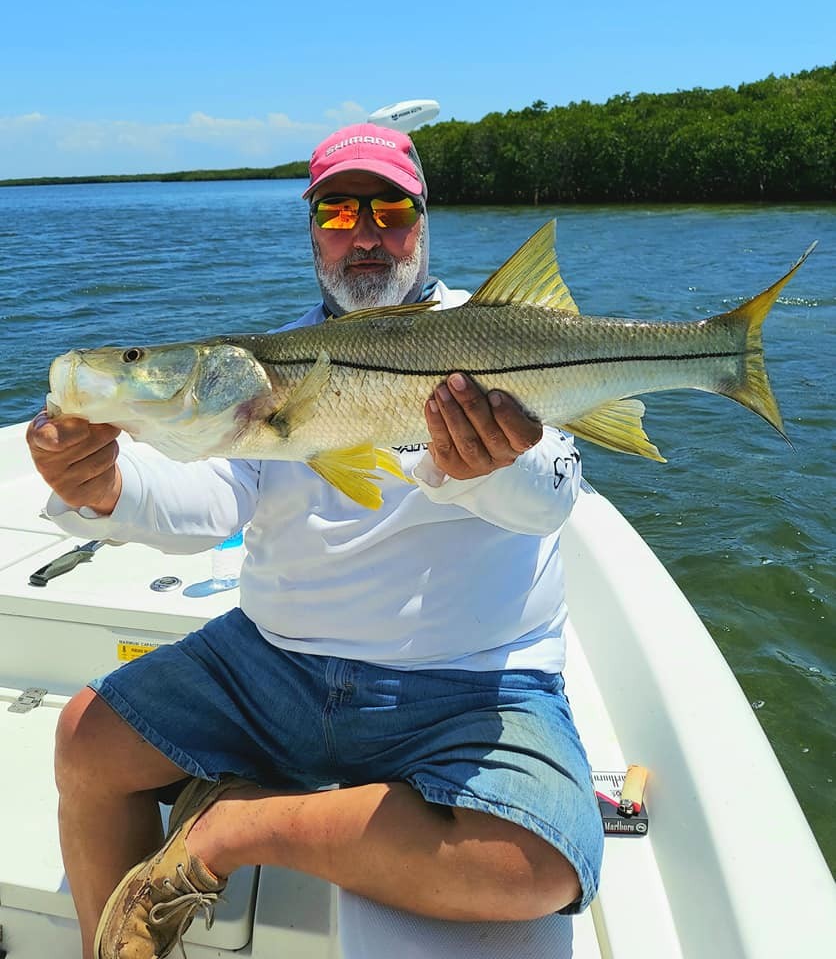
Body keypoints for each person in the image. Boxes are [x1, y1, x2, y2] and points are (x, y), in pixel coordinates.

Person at [26, 122, 604, 959]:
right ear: (312, 234)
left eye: (388, 209)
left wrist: (480, 466)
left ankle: (234, 826)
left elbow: (555, 494)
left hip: (471, 684)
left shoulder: (497, 335)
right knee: (86, 740)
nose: (364, 234)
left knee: (533, 866)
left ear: (423, 220)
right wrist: (101, 489)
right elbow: (218, 494)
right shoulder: (273, 361)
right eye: (337, 214)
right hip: (274, 668)